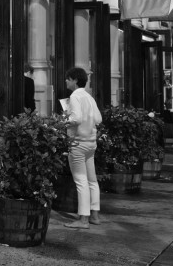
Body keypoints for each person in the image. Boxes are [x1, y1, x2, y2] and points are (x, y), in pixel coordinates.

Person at [63, 67, 102, 229]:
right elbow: (98, 119)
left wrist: (64, 121)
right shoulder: (89, 97)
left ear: (75, 80)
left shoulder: (75, 96)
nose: (66, 81)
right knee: (92, 180)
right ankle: (95, 216)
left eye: (68, 78)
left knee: (81, 181)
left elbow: (77, 118)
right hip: (91, 142)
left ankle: (83, 219)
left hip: (78, 143)